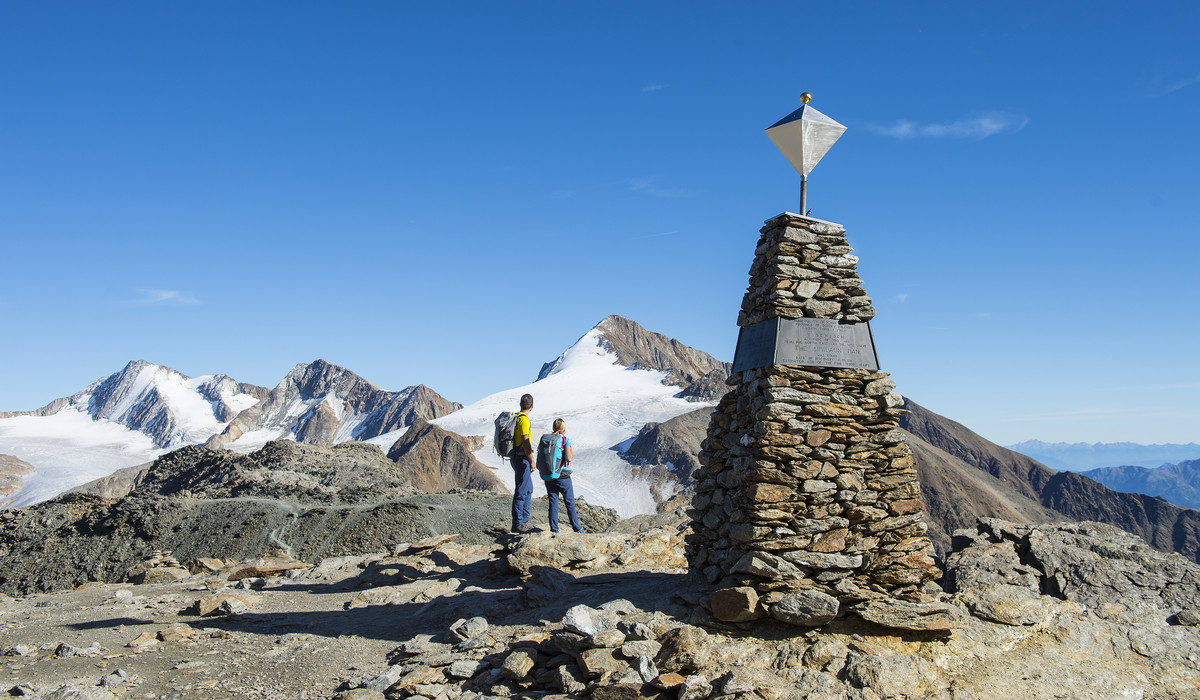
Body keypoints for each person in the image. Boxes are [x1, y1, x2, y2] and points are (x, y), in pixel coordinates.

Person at [539, 418, 585, 534]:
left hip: (549, 475)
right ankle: (577, 529)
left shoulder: (546, 439)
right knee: (569, 503)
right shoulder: (564, 440)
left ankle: (554, 529)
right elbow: (569, 458)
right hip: (563, 476)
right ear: (563, 428)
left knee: (553, 502)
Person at [510, 393, 535, 533]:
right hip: (522, 458)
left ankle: (524, 518)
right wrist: (532, 460)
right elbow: (526, 441)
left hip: (516, 457)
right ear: (532, 406)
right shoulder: (524, 420)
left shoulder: (516, 417)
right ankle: (517, 523)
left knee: (528, 488)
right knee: (521, 490)